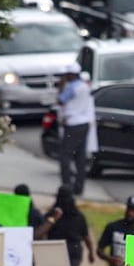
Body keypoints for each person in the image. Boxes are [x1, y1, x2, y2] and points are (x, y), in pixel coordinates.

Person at [55, 62, 96, 195]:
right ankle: (79, 187)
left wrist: (61, 88)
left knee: (65, 156)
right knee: (80, 157)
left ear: (72, 75)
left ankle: (66, 186)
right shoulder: (85, 86)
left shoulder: (72, 87)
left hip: (73, 123)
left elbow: (61, 101)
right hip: (84, 123)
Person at [44, 185, 96, 266]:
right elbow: (86, 237)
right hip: (68, 252)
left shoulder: (53, 214)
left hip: (65, 252)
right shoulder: (78, 216)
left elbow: (43, 231)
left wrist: (91, 252)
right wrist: (91, 252)